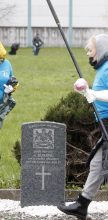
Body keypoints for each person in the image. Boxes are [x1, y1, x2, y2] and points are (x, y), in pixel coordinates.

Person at [57, 34, 108, 219]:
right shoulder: (103, 68)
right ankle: (81, 205)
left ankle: (81, 204)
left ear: (101, 50)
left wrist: (93, 93)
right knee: (98, 164)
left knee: (99, 164)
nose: (88, 53)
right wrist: (87, 91)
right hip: (105, 123)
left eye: (90, 49)